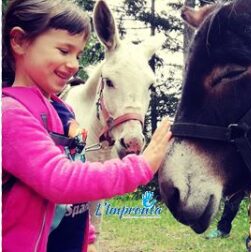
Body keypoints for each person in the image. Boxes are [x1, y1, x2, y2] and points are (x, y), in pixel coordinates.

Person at [2, 1, 172, 251]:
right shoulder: (10, 115)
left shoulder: (63, 111)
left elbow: (64, 198)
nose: (74, 64)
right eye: (63, 50)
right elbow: (60, 179)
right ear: (19, 41)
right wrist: (142, 166)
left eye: (78, 55)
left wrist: (83, 230)